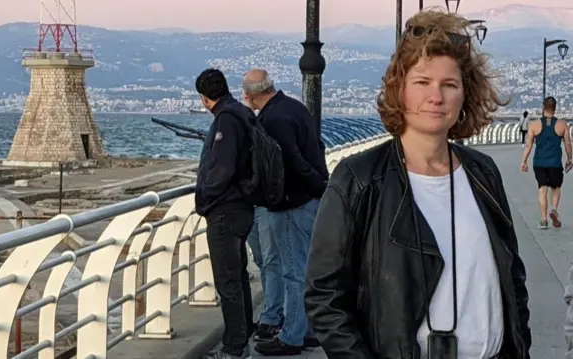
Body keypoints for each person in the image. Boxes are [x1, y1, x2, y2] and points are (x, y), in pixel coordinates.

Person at [304, 9, 531, 359]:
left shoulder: (482, 173)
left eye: (450, 85)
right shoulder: (360, 179)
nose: (436, 97)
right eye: (422, 82)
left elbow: (512, 279)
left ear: (464, 95)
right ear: (400, 89)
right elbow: (325, 296)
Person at [242, 69, 328, 356]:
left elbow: (291, 162)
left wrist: (316, 187)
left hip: (292, 203)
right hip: (305, 201)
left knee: (293, 271)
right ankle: (307, 330)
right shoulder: (294, 108)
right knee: (304, 268)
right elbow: (317, 146)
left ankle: (292, 337)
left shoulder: (274, 119)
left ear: (251, 94)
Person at [195, 68, 256, 359]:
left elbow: (222, 168)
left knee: (228, 280)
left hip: (225, 211)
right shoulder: (242, 113)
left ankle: (235, 347)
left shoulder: (226, 121)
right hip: (242, 207)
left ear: (204, 98)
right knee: (238, 276)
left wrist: (205, 197)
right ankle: (243, 335)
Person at [520, 96, 572, 229]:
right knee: (555, 188)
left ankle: (543, 221)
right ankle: (554, 209)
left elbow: (528, 145)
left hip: (539, 162)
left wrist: (524, 161)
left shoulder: (535, 124)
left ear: (543, 107)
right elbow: (567, 143)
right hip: (555, 163)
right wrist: (569, 158)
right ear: (555, 108)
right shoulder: (562, 124)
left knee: (542, 189)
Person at [245, 206, 284, 341]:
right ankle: (273, 313)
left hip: (266, 205)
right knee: (260, 260)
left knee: (271, 261)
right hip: (246, 205)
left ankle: (271, 318)